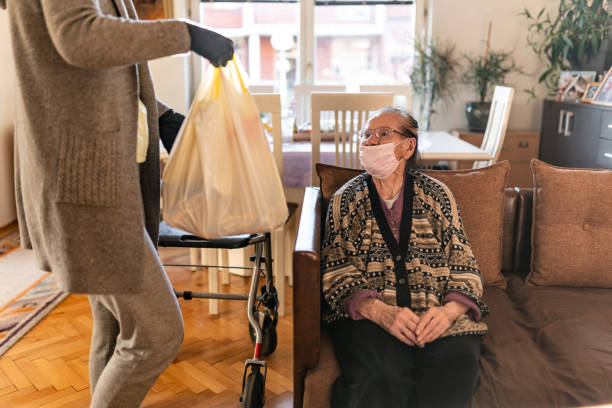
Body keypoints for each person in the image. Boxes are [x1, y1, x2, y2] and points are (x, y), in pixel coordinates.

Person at [1, 0, 233, 406]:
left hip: (94, 177)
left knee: (112, 328)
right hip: (82, 184)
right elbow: (80, 37)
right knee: (157, 333)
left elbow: (97, 74)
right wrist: (187, 34)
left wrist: (160, 115)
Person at [322, 107, 489, 408]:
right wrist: (380, 311)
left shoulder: (438, 195)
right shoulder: (346, 199)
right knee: (380, 375)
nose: (371, 141)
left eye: (383, 134)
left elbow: (464, 260)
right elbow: (337, 271)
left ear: (408, 146)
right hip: (370, 319)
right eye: (367, 135)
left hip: (436, 310)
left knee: (456, 367)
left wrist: (450, 311)